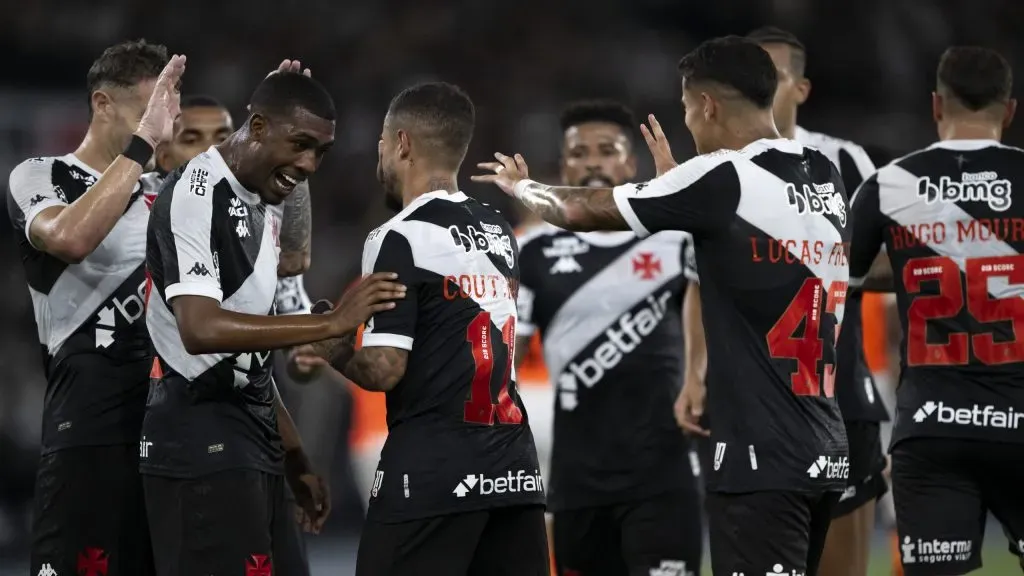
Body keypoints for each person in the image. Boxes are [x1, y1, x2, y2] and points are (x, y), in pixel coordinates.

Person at [474, 36, 850, 576]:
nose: (690, 124)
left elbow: (583, 210)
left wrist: (523, 187)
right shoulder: (824, 176)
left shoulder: (723, 178)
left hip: (757, 458)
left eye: (685, 110)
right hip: (823, 446)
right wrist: (682, 189)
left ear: (708, 106)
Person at [143, 70, 405, 575]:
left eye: (320, 152)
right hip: (198, 438)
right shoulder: (196, 194)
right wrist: (330, 324)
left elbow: (249, 358)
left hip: (250, 437)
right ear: (257, 127)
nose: (309, 164)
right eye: (300, 144)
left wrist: (293, 453)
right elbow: (201, 330)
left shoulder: (260, 207)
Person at [295, 81, 548, 576]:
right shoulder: (499, 231)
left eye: (383, 146)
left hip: (434, 472)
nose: (380, 159)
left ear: (403, 144)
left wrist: (330, 342)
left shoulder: (398, 237)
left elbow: (386, 369)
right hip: (514, 469)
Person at [6, 39, 183, 576]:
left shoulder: (169, 192)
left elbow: (287, 249)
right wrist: (143, 141)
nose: (163, 126)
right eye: (150, 111)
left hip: (172, 436)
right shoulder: (40, 175)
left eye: (168, 112)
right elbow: (71, 237)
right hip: (88, 433)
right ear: (103, 104)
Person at [849, 46, 1024, 575]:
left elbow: (838, 287)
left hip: (931, 426)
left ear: (935, 105)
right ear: (1009, 109)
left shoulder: (887, 185)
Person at [514, 99, 702, 576]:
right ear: (562, 166)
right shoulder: (531, 250)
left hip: (664, 471)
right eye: (579, 153)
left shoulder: (677, 237)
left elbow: (713, 326)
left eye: (606, 150)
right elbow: (506, 356)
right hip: (578, 483)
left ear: (631, 162)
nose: (592, 162)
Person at [150, 82, 316, 576]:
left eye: (222, 135)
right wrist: (332, 322)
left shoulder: (252, 214)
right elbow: (201, 330)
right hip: (175, 428)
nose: (209, 149)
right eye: (191, 137)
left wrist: (292, 134)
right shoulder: (153, 205)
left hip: (243, 430)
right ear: (162, 151)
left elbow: (296, 261)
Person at [746, 26, 889, 576]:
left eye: (773, 75)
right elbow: (696, 282)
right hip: (753, 405)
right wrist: (695, 373)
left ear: (801, 89)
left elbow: (893, 261)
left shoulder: (844, 159)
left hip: (840, 395)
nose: (758, 85)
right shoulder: (719, 169)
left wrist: (835, 272)